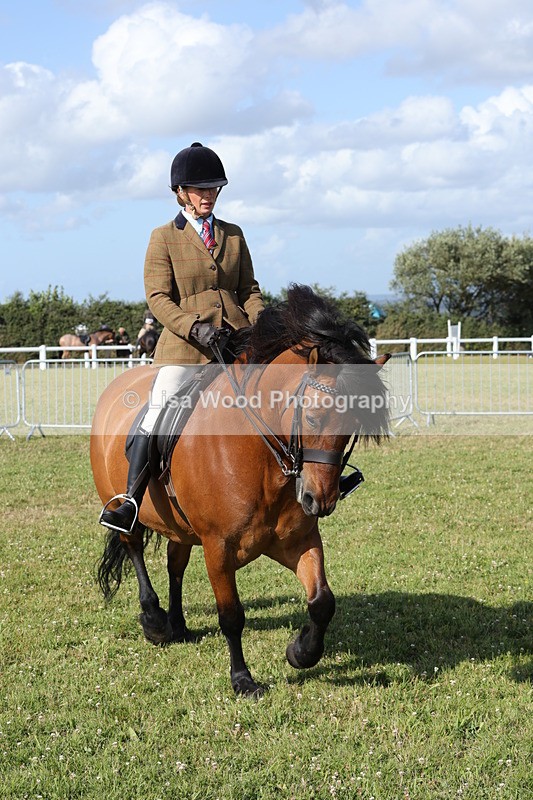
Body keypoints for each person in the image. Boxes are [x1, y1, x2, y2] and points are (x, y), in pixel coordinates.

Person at [100, 141, 265, 534]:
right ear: (180, 193)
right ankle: (129, 502)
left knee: (281, 396)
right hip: (186, 348)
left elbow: (250, 290)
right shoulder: (163, 237)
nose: (208, 196)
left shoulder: (234, 234)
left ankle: (301, 483)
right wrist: (195, 327)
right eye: (200, 189)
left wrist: (261, 322)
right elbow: (158, 297)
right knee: (158, 411)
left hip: (236, 341)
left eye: (213, 189)